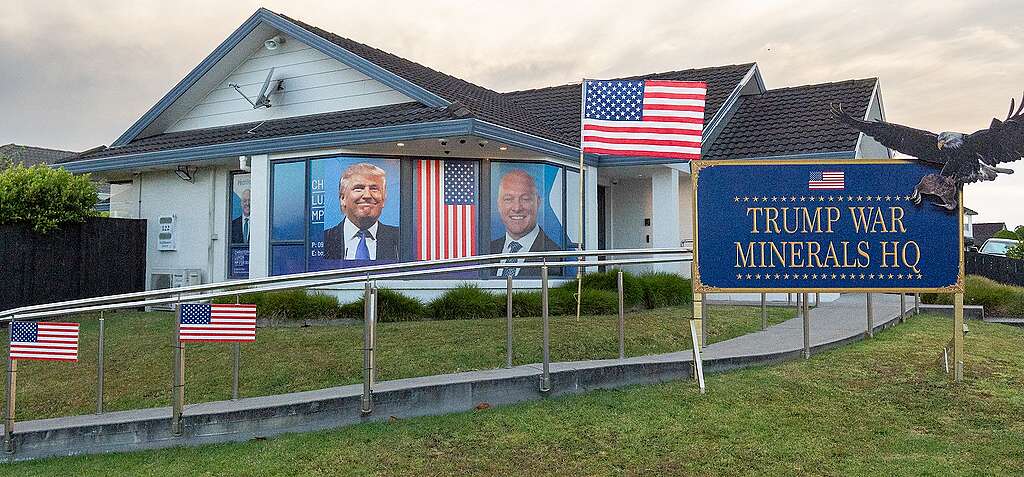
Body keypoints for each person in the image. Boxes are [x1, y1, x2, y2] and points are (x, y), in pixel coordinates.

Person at [491, 169, 560, 277]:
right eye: (508, 199)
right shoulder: (489, 249)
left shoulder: (553, 253)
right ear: (499, 204)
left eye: (525, 199)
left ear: (538, 202)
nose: (517, 208)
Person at [323, 162, 400, 260]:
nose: (367, 195)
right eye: (358, 188)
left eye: (374, 189)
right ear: (343, 198)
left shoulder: (401, 239)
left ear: (383, 199)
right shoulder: (325, 240)